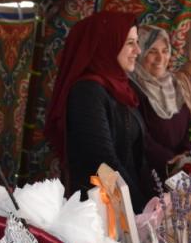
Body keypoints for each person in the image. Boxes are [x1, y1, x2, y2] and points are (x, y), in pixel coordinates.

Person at [44, 11, 152, 212]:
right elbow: (102, 162)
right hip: (100, 212)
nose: (138, 50)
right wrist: (140, 209)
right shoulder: (87, 92)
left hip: (125, 206)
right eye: (130, 43)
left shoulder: (123, 88)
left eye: (137, 42)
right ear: (107, 44)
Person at [130, 25, 191, 179]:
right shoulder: (132, 88)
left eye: (165, 51)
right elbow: (140, 135)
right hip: (150, 171)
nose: (160, 58)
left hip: (182, 166)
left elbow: (189, 122)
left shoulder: (174, 83)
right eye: (152, 51)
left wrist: (186, 153)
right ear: (140, 53)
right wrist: (170, 161)